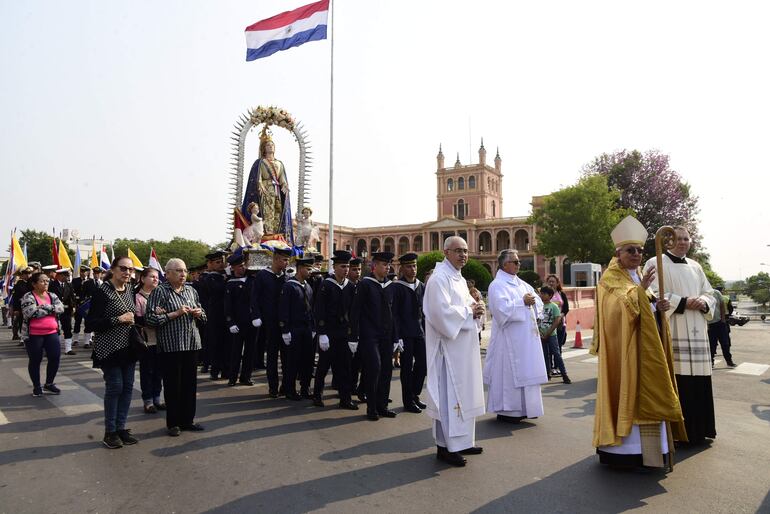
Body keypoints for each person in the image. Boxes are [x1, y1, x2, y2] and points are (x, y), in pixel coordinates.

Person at [593, 216, 686, 469]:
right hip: (626, 352)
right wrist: (642, 292)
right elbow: (616, 311)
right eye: (630, 250)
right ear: (618, 253)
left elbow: (647, 306)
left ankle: (654, 452)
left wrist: (658, 306)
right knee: (629, 394)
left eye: (639, 251)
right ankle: (625, 455)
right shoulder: (610, 278)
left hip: (645, 349)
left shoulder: (638, 275)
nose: (635, 254)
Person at [643, 225, 717, 445]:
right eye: (679, 238)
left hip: (698, 331)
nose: (683, 242)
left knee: (700, 381)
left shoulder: (696, 266)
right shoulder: (655, 262)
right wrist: (684, 302)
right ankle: (679, 433)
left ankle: (702, 429)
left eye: (686, 238)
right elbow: (651, 293)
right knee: (679, 380)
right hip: (674, 328)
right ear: (668, 241)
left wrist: (703, 302)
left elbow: (710, 292)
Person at [423, 236, 485, 466]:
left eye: (466, 251)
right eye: (458, 251)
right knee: (450, 399)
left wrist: (478, 310)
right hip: (448, 351)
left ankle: (463, 442)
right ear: (446, 252)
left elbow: (468, 306)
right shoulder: (439, 279)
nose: (463, 255)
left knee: (465, 395)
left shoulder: (457, 278)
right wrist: (469, 311)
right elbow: (440, 314)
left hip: (463, 349)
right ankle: (446, 447)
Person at [484, 250, 549, 426]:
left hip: (527, 339)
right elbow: (499, 311)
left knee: (527, 370)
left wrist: (533, 303)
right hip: (508, 340)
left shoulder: (522, 284)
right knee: (509, 374)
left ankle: (528, 409)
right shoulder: (497, 285)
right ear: (505, 264)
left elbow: (539, 304)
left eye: (519, 261)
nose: (519, 264)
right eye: (516, 262)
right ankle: (509, 411)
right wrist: (522, 302)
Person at [146, 258, 207, 437]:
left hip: (191, 343)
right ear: (169, 273)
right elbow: (150, 319)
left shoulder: (191, 290)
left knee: (190, 385)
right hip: (171, 346)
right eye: (179, 271)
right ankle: (173, 423)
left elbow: (204, 315)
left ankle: (188, 420)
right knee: (173, 386)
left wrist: (198, 313)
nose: (183, 274)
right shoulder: (160, 292)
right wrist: (175, 314)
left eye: (185, 271)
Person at [87, 256, 141, 449]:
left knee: (127, 387)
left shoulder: (129, 290)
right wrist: (118, 319)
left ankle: (120, 428)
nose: (127, 272)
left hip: (127, 348)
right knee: (115, 387)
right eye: (123, 268)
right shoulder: (102, 292)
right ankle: (110, 431)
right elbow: (90, 324)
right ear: (113, 269)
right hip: (108, 349)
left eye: (130, 269)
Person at [349, 252, 398, 421]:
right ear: (374, 266)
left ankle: (382, 405)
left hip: (386, 335)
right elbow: (355, 312)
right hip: (369, 335)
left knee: (386, 370)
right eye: (384, 264)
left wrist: (396, 337)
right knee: (374, 369)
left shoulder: (390, 286)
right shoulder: (365, 285)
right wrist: (353, 336)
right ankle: (371, 408)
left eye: (389, 264)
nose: (388, 267)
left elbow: (394, 314)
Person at [312, 250, 358, 409]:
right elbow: (319, 310)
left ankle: (345, 399)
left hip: (344, 332)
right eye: (343, 266)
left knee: (345, 367)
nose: (346, 269)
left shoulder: (350, 287)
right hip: (329, 332)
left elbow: (353, 312)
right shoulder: (326, 285)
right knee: (324, 366)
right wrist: (322, 333)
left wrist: (353, 335)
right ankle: (317, 395)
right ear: (335, 267)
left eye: (347, 266)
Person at [251, 247, 291, 397]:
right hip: (270, 322)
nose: (287, 263)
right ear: (275, 259)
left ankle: (286, 386)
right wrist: (256, 315)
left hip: (285, 322)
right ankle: (273, 387)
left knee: (287, 357)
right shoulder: (262, 275)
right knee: (273, 357)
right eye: (284, 259)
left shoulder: (286, 277)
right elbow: (254, 297)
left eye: (288, 260)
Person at [391, 252, 427, 413]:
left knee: (423, 365)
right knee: (406, 368)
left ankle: (415, 394)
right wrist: (397, 336)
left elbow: (426, 311)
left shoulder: (421, 286)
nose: (413, 269)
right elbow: (395, 314)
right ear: (402, 268)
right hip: (405, 334)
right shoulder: (397, 287)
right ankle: (408, 401)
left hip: (419, 333)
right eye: (409, 266)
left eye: (414, 265)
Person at [20, 271, 64, 397]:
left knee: (55, 358)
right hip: (34, 334)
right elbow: (31, 313)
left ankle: (49, 383)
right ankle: (36, 386)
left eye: (47, 281)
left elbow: (61, 308)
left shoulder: (52, 295)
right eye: (42, 281)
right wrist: (51, 309)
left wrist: (43, 307)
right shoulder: (28, 296)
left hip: (52, 333)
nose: (46, 283)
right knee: (35, 360)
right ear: (34, 284)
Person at [241, 127, 291, 236]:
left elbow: (281, 177)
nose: (271, 146)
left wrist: (285, 184)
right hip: (266, 188)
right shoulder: (260, 162)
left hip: (277, 190)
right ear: (264, 148)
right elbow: (257, 177)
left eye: (272, 145)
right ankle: (268, 231)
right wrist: (259, 184)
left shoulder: (279, 163)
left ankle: (277, 231)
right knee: (268, 211)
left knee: (278, 211)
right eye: (268, 145)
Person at [278, 257, 315, 401]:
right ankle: (290, 390)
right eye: (308, 269)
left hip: (306, 329)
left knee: (307, 361)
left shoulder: (308, 286)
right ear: (300, 269)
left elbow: (311, 309)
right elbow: (284, 310)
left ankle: (305, 388)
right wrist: (285, 330)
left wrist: (313, 327)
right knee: (292, 361)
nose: (310, 271)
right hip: (294, 329)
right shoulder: (289, 286)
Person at [134, 267, 165, 414]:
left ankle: (157, 398)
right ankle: (148, 401)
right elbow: (138, 319)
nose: (155, 279)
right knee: (147, 371)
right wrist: (154, 314)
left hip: (161, 339)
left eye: (157, 277)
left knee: (159, 370)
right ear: (142, 279)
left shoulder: (161, 296)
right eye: (152, 276)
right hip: (146, 340)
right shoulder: (138, 297)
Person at [225, 251, 256, 386]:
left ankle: (246, 376)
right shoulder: (230, 283)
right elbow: (227, 306)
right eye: (239, 266)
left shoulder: (252, 280)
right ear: (233, 268)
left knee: (250, 351)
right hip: (237, 323)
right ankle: (232, 378)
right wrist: (230, 322)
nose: (242, 268)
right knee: (235, 351)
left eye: (243, 265)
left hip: (252, 322)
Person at [199, 250, 229, 380]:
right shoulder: (208, 277)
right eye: (218, 262)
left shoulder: (224, 276)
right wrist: (226, 278)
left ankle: (225, 369)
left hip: (226, 314)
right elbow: (217, 289)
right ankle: (214, 370)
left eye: (222, 261)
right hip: (214, 315)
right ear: (210, 264)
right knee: (215, 344)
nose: (221, 264)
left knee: (226, 344)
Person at [539, 286, 571, 383]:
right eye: (541, 293)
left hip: (552, 335)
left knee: (556, 354)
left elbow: (556, 321)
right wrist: (540, 333)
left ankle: (564, 374)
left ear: (550, 296)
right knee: (545, 355)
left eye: (544, 294)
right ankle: (547, 374)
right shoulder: (539, 306)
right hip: (541, 334)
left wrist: (548, 333)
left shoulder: (554, 306)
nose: (541, 295)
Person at [347, 257, 366, 402]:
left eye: (359, 269)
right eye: (354, 269)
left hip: (361, 329)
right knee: (347, 363)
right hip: (346, 329)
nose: (357, 272)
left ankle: (356, 387)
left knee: (359, 361)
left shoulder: (362, 285)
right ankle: (346, 387)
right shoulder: (345, 286)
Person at [48, 268, 76, 355]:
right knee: (55, 329)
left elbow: (72, 297)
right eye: (65, 275)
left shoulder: (69, 285)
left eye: (67, 275)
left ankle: (68, 349)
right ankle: (55, 348)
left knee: (67, 328)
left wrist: (74, 307)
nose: (67, 277)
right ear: (60, 275)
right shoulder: (52, 285)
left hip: (66, 310)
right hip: (55, 310)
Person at [707, 286, 736, 367]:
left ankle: (729, 361)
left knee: (725, 344)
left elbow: (722, 305)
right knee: (711, 345)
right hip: (709, 325)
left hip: (720, 323)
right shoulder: (700, 293)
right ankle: (711, 362)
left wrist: (723, 319)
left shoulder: (716, 292)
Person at [545, 274, 569, 355]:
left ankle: (557, 365)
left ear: (557, 283)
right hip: (547, 324)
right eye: (549, 282)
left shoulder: (561, 294)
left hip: (560, 324)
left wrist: (559, 317)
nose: (551, 283)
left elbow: (566, 308)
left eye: (553, 282)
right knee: (548, 347)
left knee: (558, 345)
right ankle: (550, 366)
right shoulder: (544, 294)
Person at [71, 265, 92, 346]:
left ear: (88, 272)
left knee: (88, 323)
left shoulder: (91, 281)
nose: (82, 273)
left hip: (87, 305)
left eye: (84, 272)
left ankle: (87, 341)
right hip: (78, 305)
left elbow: (92, 293)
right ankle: (75, 339)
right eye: (81, 271)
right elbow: (72, 292)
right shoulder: (75, 280)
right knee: (77, 322)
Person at [10, 266, 33, 341]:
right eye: (26, 274)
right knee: (22, 322)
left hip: (31, 306)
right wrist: (16, 309)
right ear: (22, 275)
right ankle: (23, 338)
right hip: (21, 307)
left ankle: (31, 336)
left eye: (29, 273)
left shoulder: (32, 283)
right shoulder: (18, 284)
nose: (28, 275)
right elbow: (16, 298)